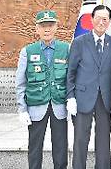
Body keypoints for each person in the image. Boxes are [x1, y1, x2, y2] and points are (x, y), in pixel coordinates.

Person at [66, 4, 111, 169]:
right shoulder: (79, 42)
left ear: (109, 22)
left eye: (105, 19)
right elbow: (71, 72)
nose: (101, 22)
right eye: (98, 18)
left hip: (105, 98)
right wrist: (70, 97)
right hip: (83, 97)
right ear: (92, 20)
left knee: (104, 140)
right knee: (80, 140)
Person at [15, 10, 70, 169]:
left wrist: (72, 100)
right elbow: (20, 83)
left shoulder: (66, 49)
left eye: (50, 25)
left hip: (59, 106)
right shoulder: (27, 51)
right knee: (34, 148)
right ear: (37, 29)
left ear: (56, 27)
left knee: (60, 148)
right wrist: (22, 109)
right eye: (43, 25)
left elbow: (71, 79)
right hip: (36, 107)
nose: (47, 29)